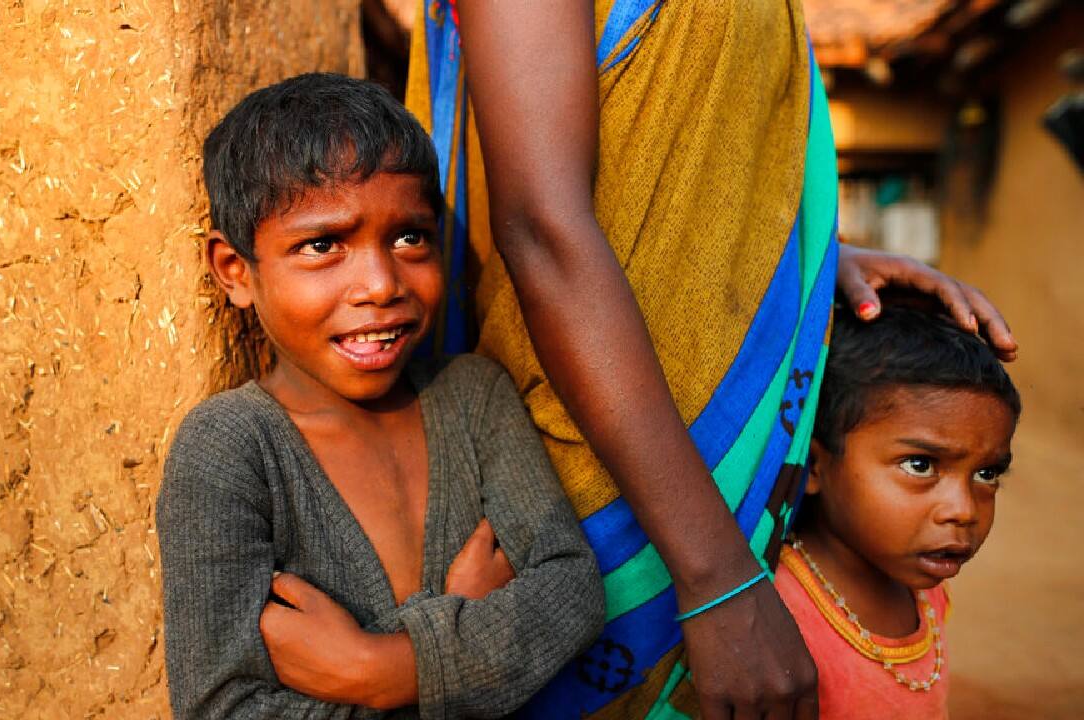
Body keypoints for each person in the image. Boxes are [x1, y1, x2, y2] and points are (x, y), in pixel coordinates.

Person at [403, 1, 1019, 717]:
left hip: (708, 496)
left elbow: (682, 167)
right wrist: (719, 577)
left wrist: (811, 264)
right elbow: (542, 225)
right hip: (617, 494)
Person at [157, 73, 605, 720]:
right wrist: (462, 641)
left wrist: (384, 670)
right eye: (322, 245)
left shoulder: (472, 398)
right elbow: (224, 708)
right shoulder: (231, 450)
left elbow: (569, 590)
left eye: (408, 238)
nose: (380, 283)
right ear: (236, 272)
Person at [776, 304, 1020, 718]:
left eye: (986, 473)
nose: (962, 511)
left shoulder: (925, 589)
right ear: (815, 465)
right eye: (920, 465)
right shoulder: (778, 621)